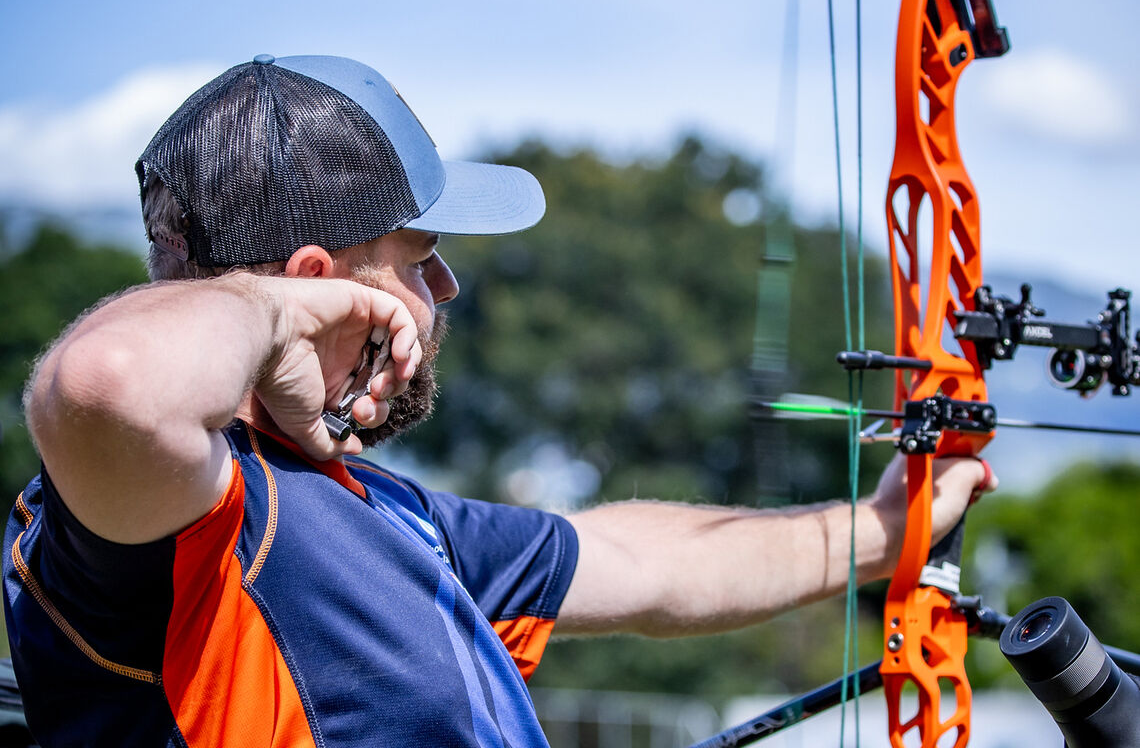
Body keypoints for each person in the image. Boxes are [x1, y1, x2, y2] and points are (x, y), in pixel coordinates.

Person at [3, 55, 994, 747]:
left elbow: (642, 563)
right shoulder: (174, 517)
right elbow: (107, 383)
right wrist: (273, 310)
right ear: (316, 284)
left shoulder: (388, 512)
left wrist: (884, 530)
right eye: (419, 260)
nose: (446, 288)